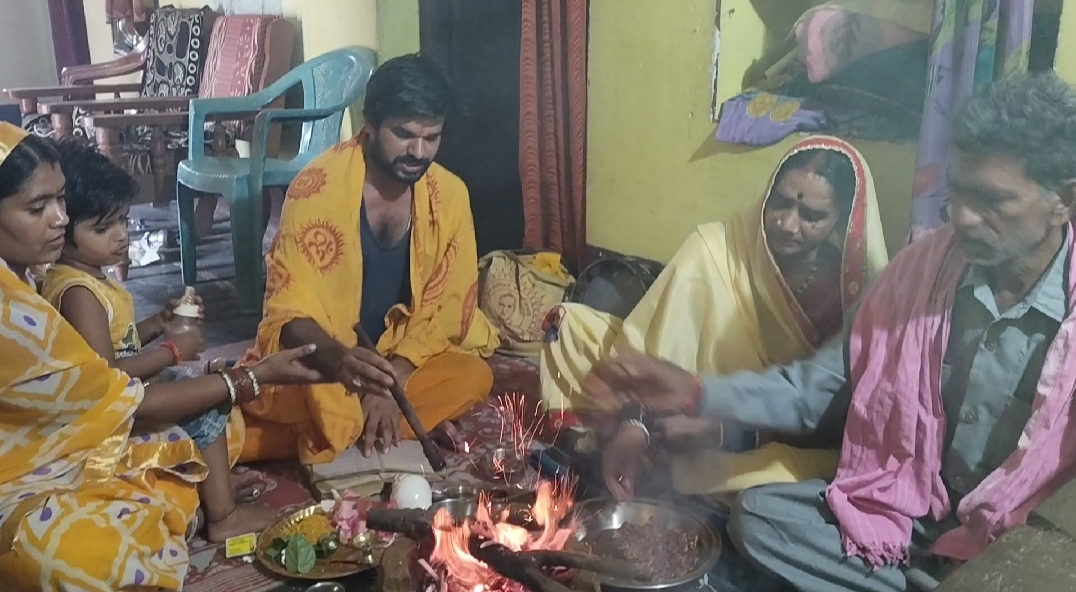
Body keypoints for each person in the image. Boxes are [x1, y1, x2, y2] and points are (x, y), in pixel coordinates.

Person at [584, 72, 1076, 592]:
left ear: (1064, 199)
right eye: (957, 193)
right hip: (908, 515)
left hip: (1021, 542)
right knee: (762, 517)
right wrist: (697, 392)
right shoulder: (921, 276)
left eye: (993, 200)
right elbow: (814, 389)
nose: (965, 218)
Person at [0, 121, 320, 590]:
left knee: (215, 426)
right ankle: (218, 508)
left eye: (62, 200)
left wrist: (160, 333)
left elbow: (95, 390)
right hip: (25, 477)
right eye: (37, 207)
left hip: (82, 442)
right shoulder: (28, 308)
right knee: (78, 556)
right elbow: (116, 393)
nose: (60, 219)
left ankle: (206, 491)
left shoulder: (25, 276)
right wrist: (244, 376)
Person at [542, 135, 888, 499]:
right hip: (680, 392)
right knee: (566, 326)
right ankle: (636, 439)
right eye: (780, 203)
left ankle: (658, 461)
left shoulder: (847, 292)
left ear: (840, 220)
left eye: (812, 216)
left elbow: (816, 407)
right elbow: (659, 347)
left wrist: (724, 431)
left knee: (784, 477)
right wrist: (636, 421)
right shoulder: (715, 249)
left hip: (764, 425)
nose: (788, 224)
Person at [235, 53, 500, 464]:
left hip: (400, 362)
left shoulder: (450, 196)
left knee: (473, 375)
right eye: (404, 134)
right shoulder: (315, 189)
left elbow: (450, 307)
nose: (418, 151)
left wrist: (391, 383)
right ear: (371, 124)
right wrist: (344, 364)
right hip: (332, 365)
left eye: (431, 138)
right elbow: (289, 313)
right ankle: (374, 426)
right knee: (305, 399)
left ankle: (342, 429)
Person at [38, 140, 275, 542]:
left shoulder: (89, 277)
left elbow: (116, 340)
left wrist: (157, 324)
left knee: (204, 388)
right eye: (103, 228)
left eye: (123, 221)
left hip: (128, 393)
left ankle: (213, 485)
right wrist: (171, 352)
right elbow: (108, 375)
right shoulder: (78, 293)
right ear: (63, 230)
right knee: (207, 401)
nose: (121, 236)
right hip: (108, 412)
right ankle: (224, 514)